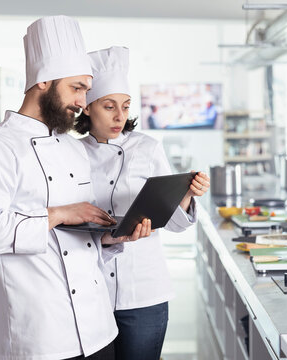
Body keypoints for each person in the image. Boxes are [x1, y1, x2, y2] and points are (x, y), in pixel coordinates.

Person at [0, 16, 151, 360]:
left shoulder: (74, 149)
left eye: (86, 90)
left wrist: (111, 237)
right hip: (41, 334)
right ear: (43, 81)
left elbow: (79, 241)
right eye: (76, 87)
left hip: (99, 327)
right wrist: (59, 214)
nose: (82, 101)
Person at [74, 46, 210, 360]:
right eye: (109, 106)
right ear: (88, 108)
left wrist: (186, 194)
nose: (120, 116)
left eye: (125, 106)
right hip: (90, 291)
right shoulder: (70, 153)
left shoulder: (147, 147)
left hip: (145, 292)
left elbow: (175, 223)